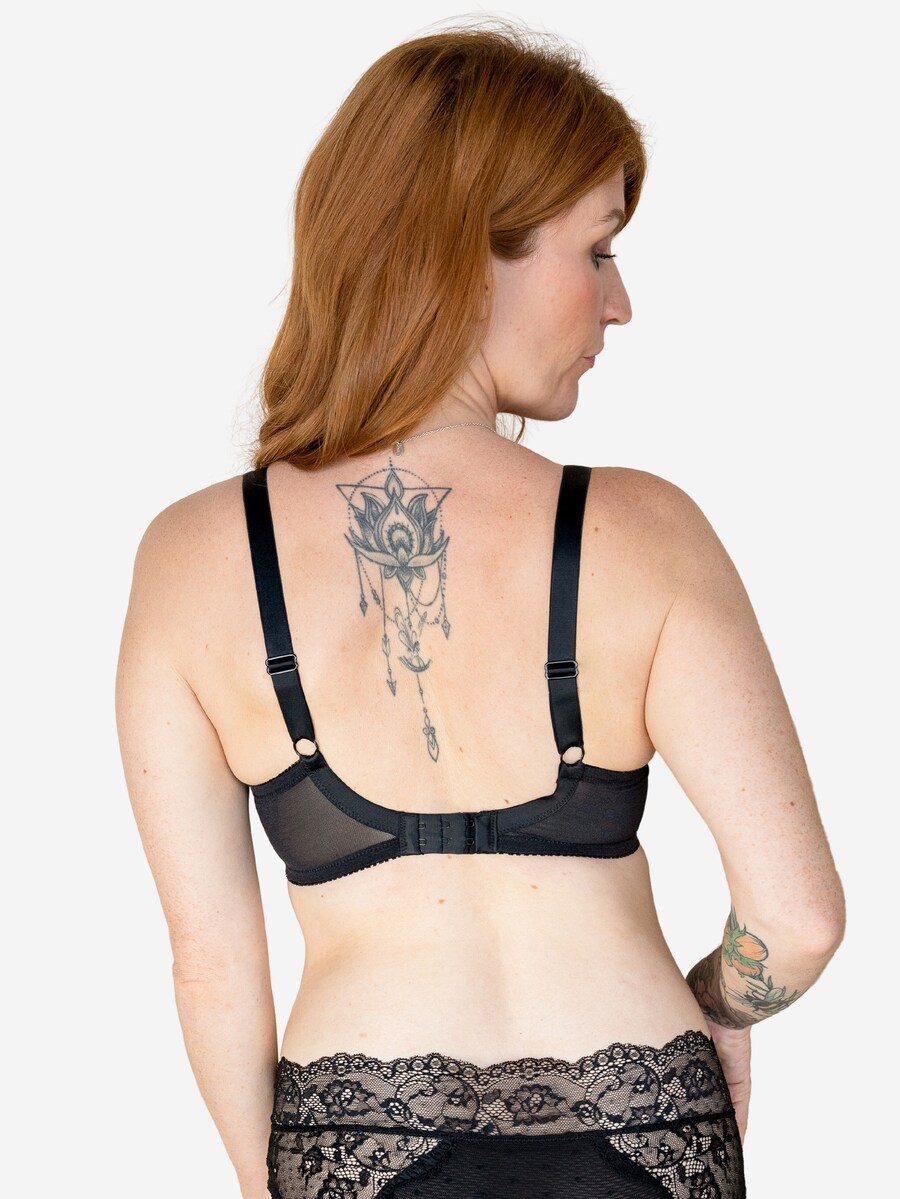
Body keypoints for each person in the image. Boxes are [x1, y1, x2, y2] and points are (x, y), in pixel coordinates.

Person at [115, 18, 845, 1199]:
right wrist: (721, 1008)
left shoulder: (194, 559)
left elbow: (212, 968)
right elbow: (798, 918)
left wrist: (264, 1183)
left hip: (359, 1136)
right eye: (597, 250)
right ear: (467, 253)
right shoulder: (645, 529)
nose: (619, 303)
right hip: (647, 1120)